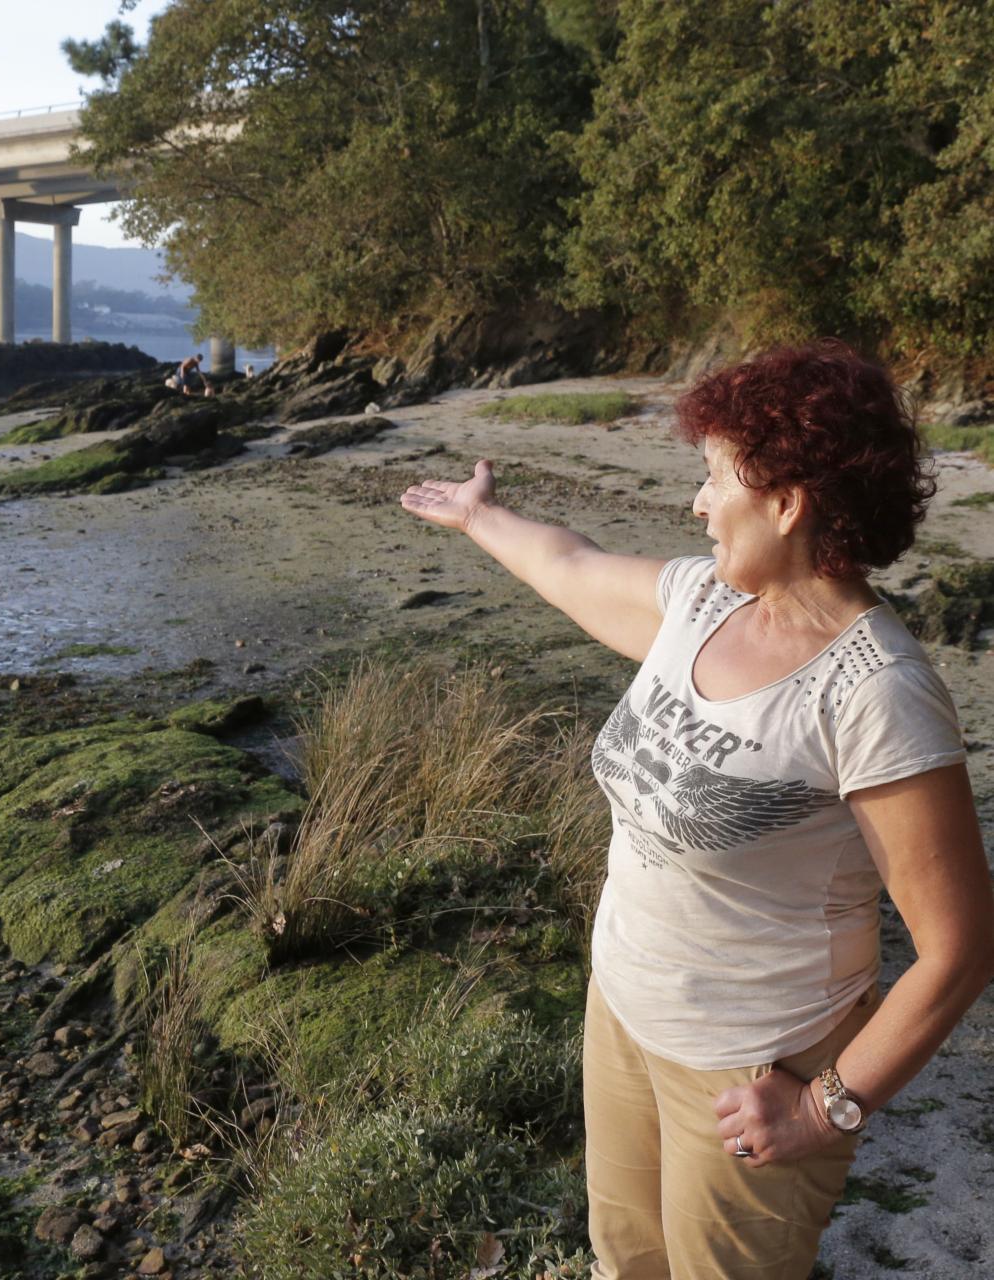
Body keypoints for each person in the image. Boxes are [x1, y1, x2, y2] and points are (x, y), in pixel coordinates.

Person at [399, 341, 994, 1280]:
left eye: (717, 478)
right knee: (624, 1260)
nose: (698, 502)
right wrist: (482, 518)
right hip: (624, 1015)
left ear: (790, 503)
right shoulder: (704, 602)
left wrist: (826, 1106)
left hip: (754, 1068)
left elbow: (959, 948)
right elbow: (572, 565)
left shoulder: (876, 692)